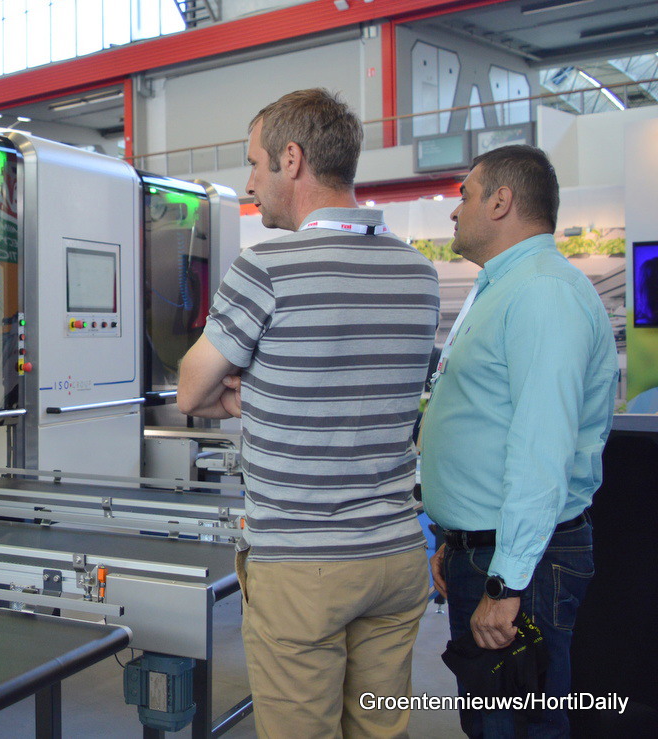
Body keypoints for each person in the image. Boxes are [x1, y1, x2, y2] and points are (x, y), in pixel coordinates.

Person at [176, 89, 440, 737]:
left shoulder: (266, 268)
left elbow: (190, 390)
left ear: (291, 159)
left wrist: (245, 393)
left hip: (302, 565)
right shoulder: (418, 273)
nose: (250, 183)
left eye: (255, 163)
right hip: (396, 552)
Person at [419, 145, 617, 737]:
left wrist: (505, 582)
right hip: (487, 551)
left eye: (465, 196)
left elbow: (540, 452)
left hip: (523, 565)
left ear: (501, 201)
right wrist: (457, 542)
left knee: (519, 727)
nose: (454, 211)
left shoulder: (542, 293)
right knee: (491, 724)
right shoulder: (506, 287)